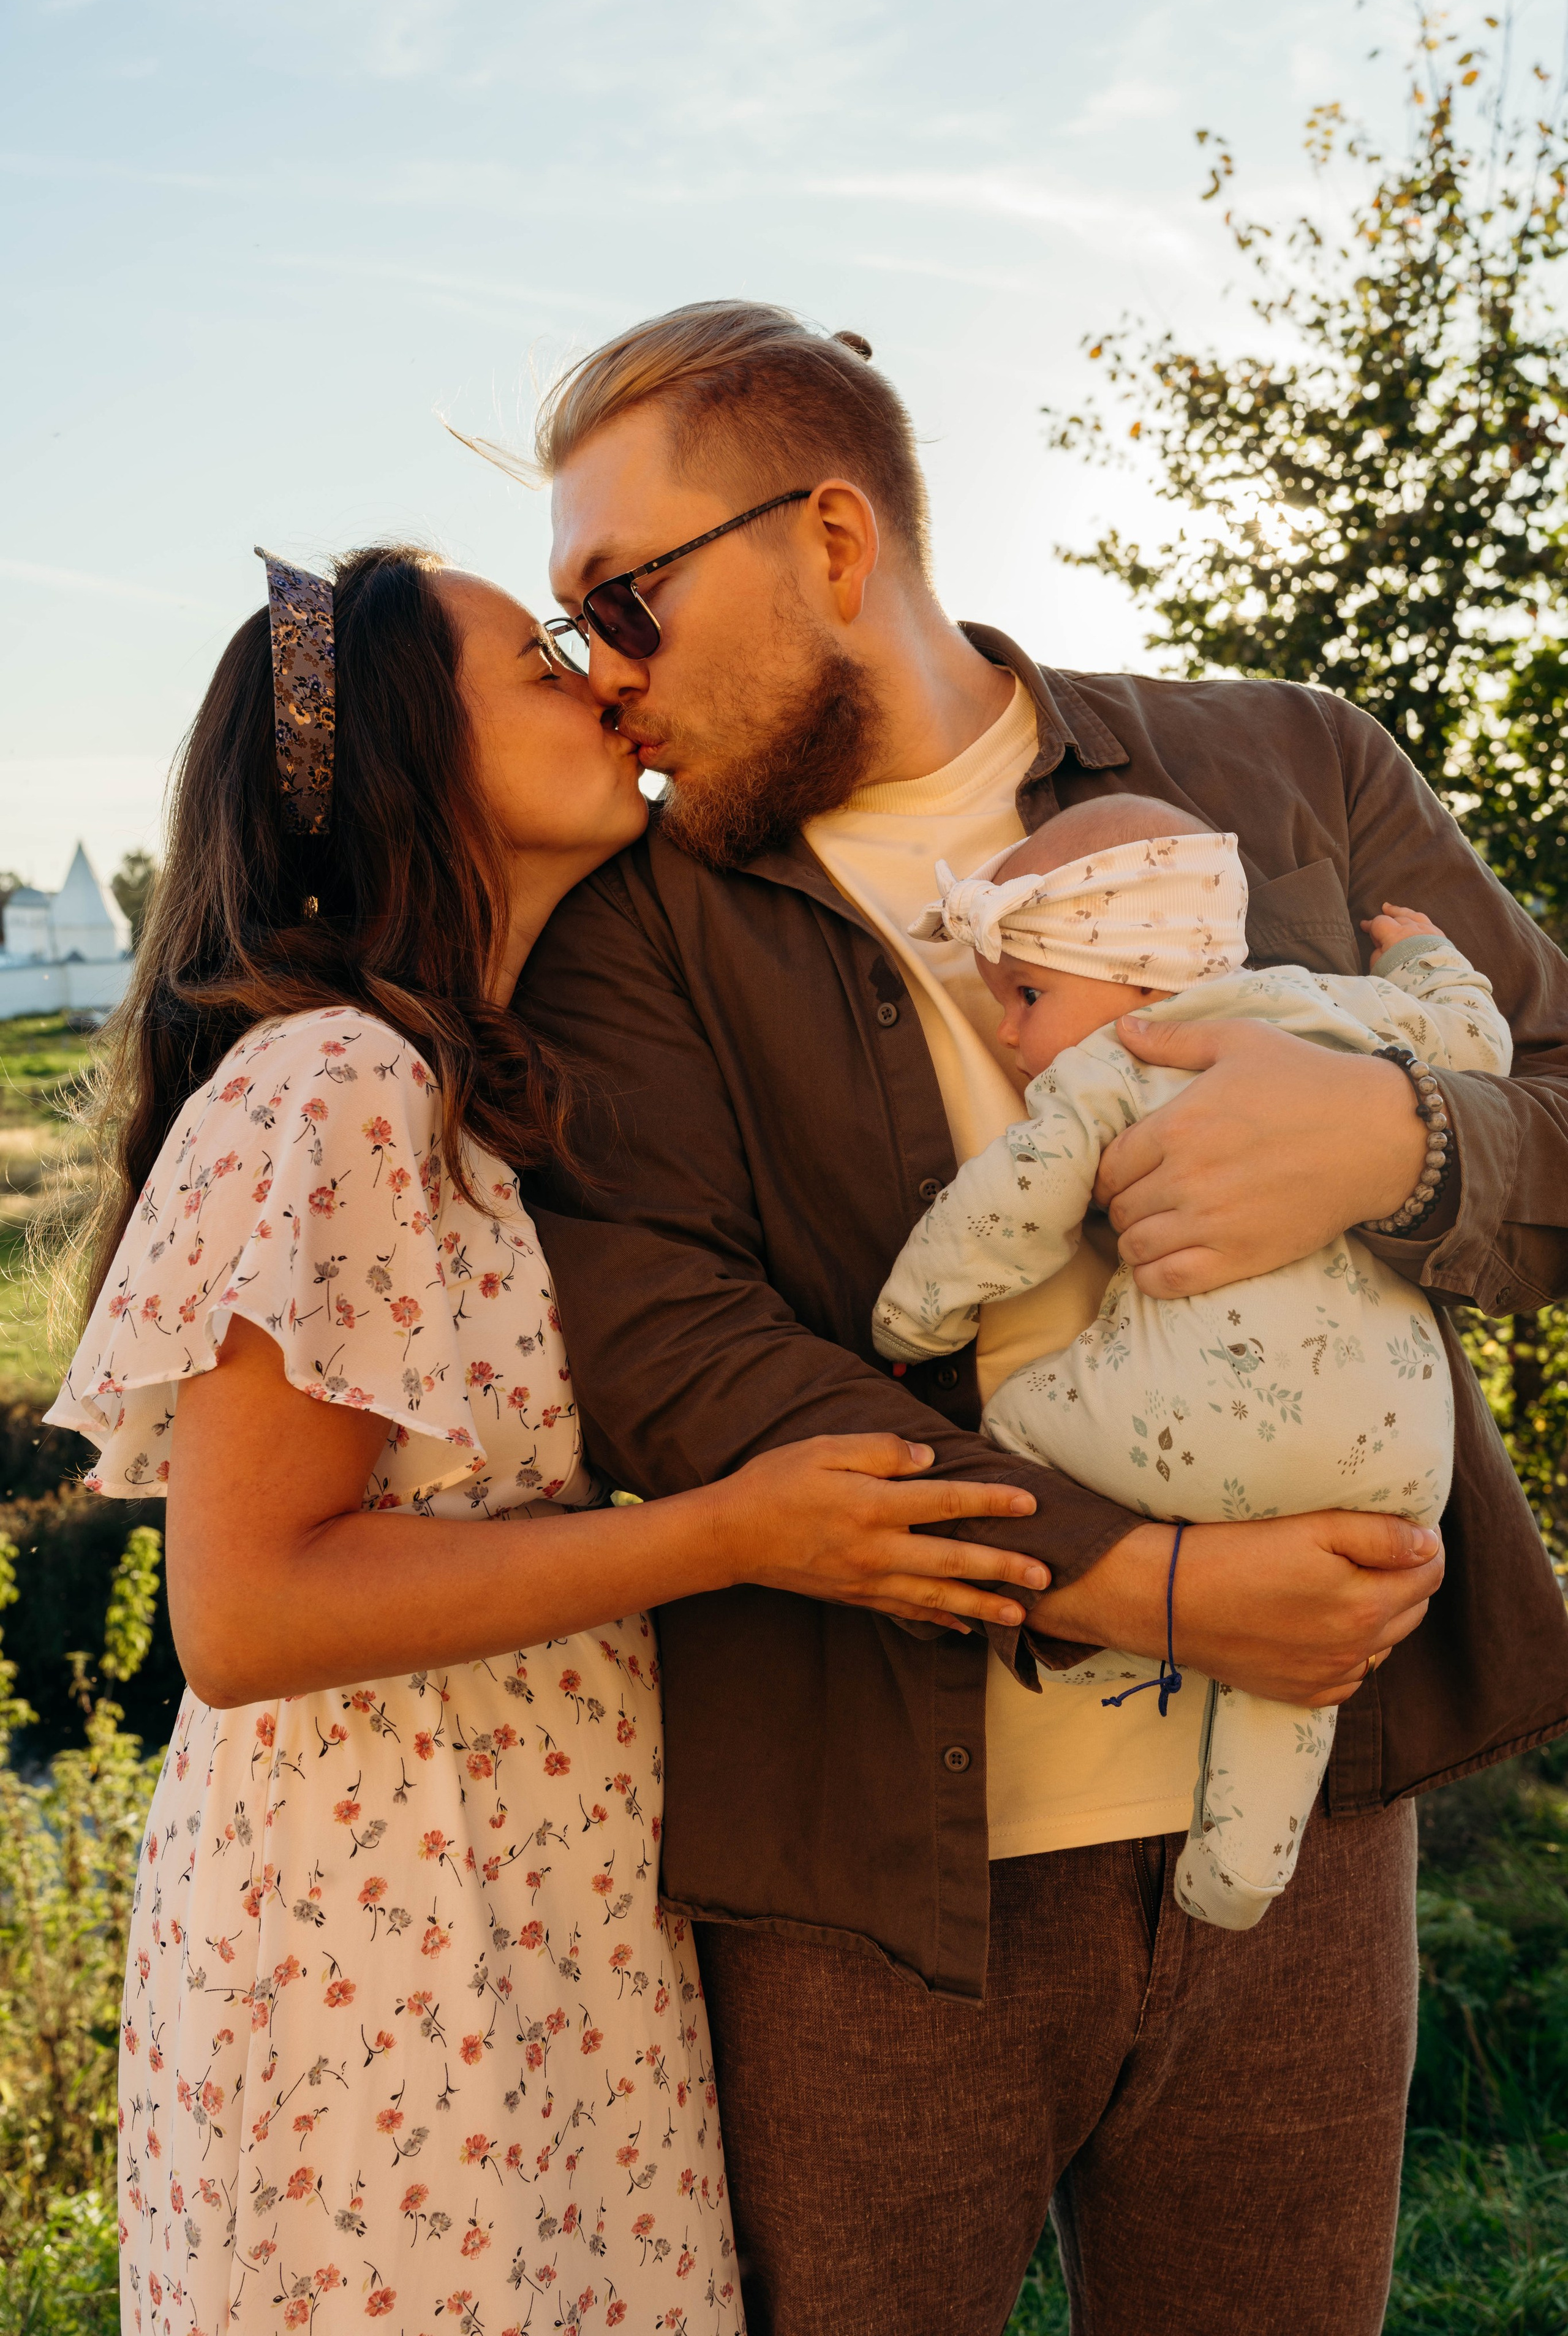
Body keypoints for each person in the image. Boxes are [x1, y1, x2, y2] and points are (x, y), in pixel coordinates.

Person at [510, 300, 1568, 2336]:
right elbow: (674, 1351)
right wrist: (1147, 1585)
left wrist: (1397, 1143)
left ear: (832, 538)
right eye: (570, 631)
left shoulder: (1291, 765)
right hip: (864, 1889)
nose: (598, 676)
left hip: (1304, 1842)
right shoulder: (621, 932)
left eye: (623, 599)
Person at [46, 540, 1047, 2336]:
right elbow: (250, 1615)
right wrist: (733, 1533)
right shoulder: (340, 1082)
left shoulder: (447, 1079)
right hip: (385, 1935)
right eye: (541, 663)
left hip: (513, 1904)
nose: (605, 681)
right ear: (406, 759)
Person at [873, 793, 1513, 1926]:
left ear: (1132, 973)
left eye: (1027, 995)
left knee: (1012, 1422)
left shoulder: (1118, 1062)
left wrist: (915, 1319)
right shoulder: (1339, 1014)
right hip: (1404, 1457)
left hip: (1198, 1427)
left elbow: (1006, 1216)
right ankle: (1243, 1873)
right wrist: (1424, 956)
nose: (1011, 1034)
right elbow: (1479, 1044)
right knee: (1312, 1655)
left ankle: (1135, 1638)